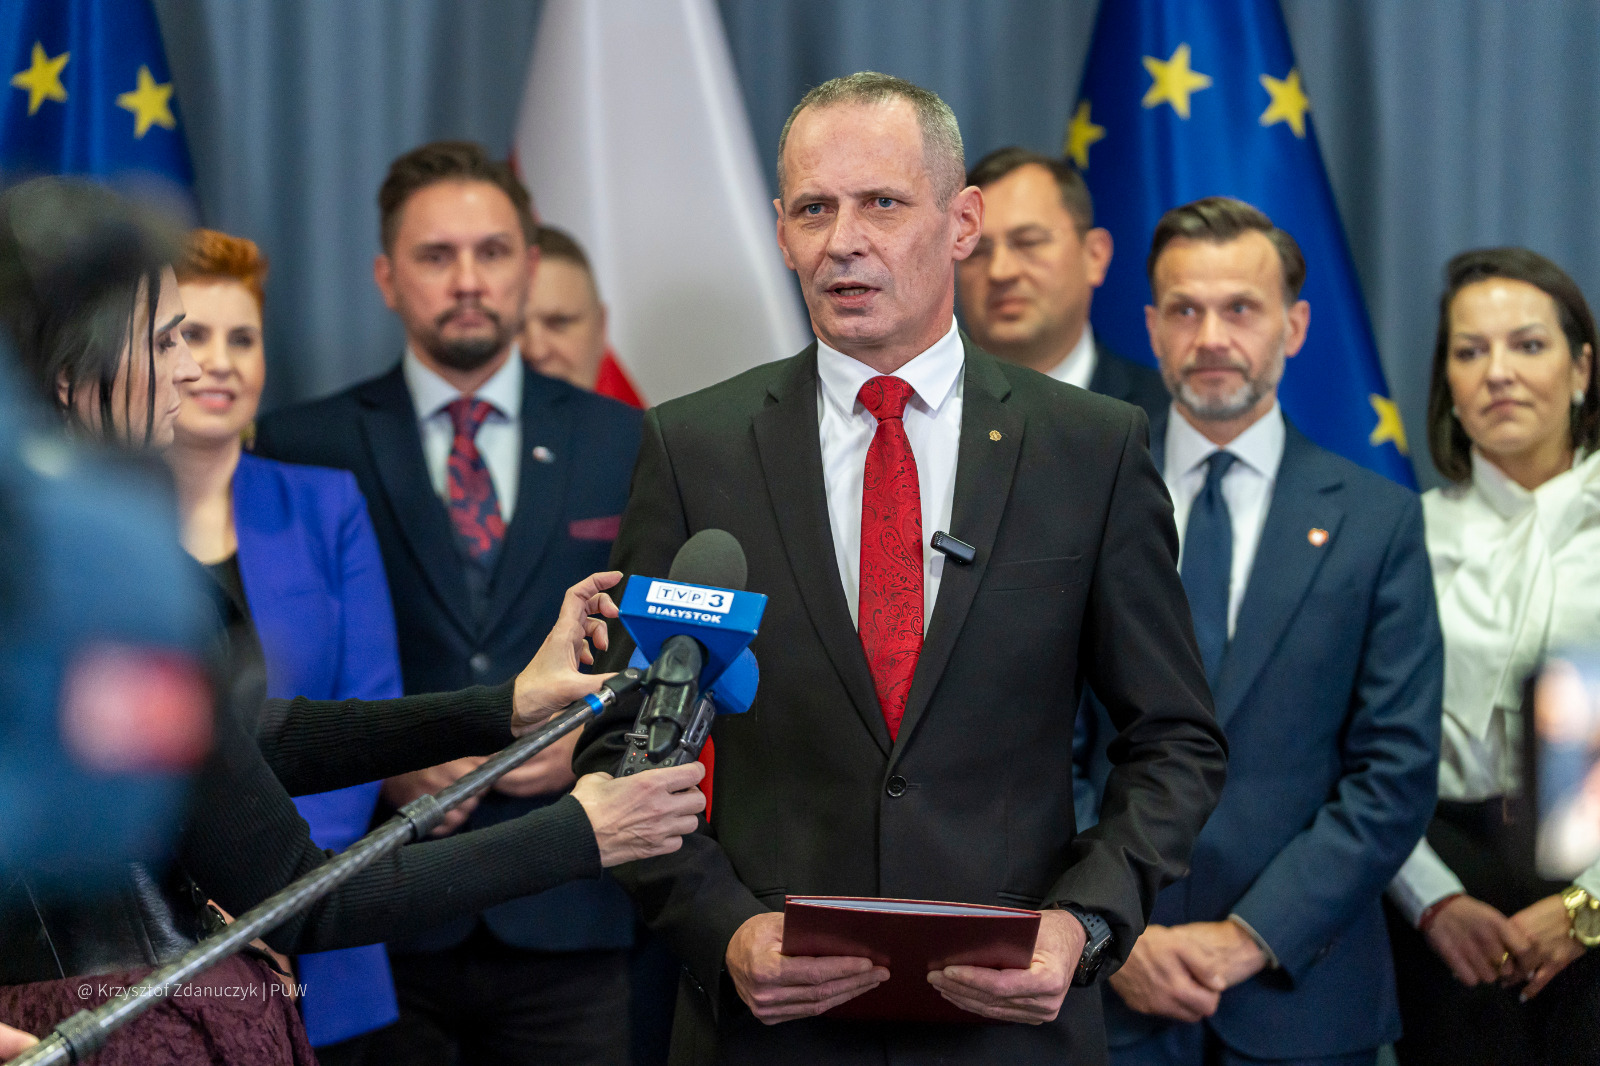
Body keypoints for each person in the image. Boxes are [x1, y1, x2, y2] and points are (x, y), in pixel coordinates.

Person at [572, 71, 1229, 1066]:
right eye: (813, 209)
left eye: (881, 202)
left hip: (1010, 1028)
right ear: (781, 232)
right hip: (770, 1029)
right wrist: (723, 930)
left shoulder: (1090, 448)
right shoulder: (692, 448)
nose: (844, 240)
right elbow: (626, 742)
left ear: (962, 222)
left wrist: (1084, 924)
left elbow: (1174, 738)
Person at [0, 175, 703, 1065]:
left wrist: (503, 708)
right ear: (70, 376)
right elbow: (303, 897)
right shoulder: (96, 582)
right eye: (167, 339)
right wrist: (582, 832)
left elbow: (251, 740)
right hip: (100, 1031)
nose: (191, 367)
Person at [253, 141, 646, 1066]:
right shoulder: (297, 445)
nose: (468, 280)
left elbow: (670, 638)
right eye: (436, 255)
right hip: (379, 912)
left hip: (572, 906)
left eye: (492, 252)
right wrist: (382, 767)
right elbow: (274, 665)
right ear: (387, 277)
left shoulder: (628, 439)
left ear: (530, 267)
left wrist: (592, 740)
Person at [1077, 197, 1443, 1066]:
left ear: (1296, 326)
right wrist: (1112, 929)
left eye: (1241, 308)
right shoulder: (1080, 500)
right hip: (1110, 998)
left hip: (1305, 998)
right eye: (1185, 310)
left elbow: (1394, 772)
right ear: (1151, 329)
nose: (1211, 337)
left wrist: (1252, 937)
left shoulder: (1378, 521)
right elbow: (1040, 746)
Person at [166, 228, 406, 1057]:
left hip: (316, 922)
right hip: (148, 941)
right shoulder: (107, 527)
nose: (220, 362)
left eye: (243, 338)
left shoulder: (327, 504)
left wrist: (276, 890)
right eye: (193, 336)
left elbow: (368, 711)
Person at [1384, 247, 1600, 1066]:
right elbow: (1356, 745)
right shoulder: (1399, 535)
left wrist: (1587, 908)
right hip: (1442, 892)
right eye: (1470, 351)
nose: (1498, 373)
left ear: (1582, 369)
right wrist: (1433, 900)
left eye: (1528, 345)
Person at [957, 146, 1167, 431]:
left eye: (1028, 242)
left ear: (1094, 256)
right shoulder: (916, 413)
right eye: (978, 250)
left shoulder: (1165, 416)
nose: (1000, 271)